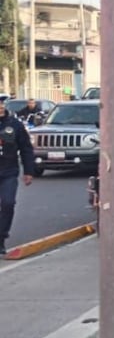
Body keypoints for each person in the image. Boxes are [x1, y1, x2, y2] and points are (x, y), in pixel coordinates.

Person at [0, 97, 35, 254]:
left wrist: (29, 171)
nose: (0, 107)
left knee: (8, 203)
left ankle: (1, 237)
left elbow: (26, 148)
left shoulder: (15, 125)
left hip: (8, 171)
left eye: (1, 104)